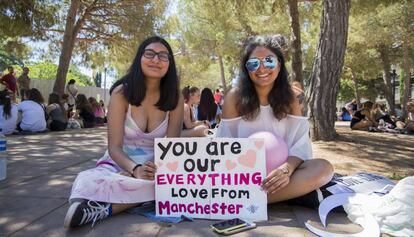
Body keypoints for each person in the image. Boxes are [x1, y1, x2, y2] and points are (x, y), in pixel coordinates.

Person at [64, 36, 183, 228]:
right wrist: (134, 169)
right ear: (139, 59)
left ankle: (104, 209)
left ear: (169, 63)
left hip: (155, 168)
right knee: (86, 179)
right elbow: (114, 147)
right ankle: (124, 196)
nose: (156, 60)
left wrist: (153, 170)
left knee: (164, 185)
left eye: (163, 56)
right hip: (120, 161)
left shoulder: (176, 98)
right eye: (150, 54)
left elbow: (172, 148)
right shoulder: (121, 93)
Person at [216, 35, 333, 205]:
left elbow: (300, 145)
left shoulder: (291, 97)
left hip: (282, 174)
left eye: (269, 62)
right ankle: (272, 197)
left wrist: (287, 169)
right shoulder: (234, 97)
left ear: (279, 64)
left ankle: (252, 200)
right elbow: (223, 146)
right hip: (242, 175)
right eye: (254, 63)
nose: (262, 69)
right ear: (247, 69)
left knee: (323, 168)